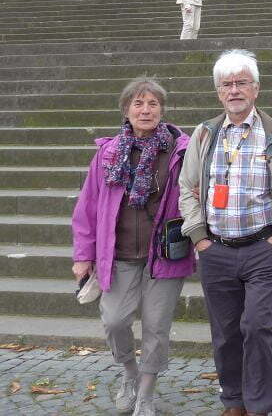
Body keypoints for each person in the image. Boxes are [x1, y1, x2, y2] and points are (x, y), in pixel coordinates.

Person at [179, 49, 272, 416]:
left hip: (263, 247)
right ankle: (234, 400)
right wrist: (199, 238)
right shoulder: (204, 134)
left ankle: (259, 405)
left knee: (257, 326)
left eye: (241, 82)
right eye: (226, 84)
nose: (234, 90)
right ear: (218, 92)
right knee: (225, 332)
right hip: (216, 249)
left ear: (256, 89)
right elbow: (186, 186)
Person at [72, 78, 193, 416]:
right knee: (114, 320)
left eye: (153, 103)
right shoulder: (108, 153)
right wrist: (83, 255)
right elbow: (87, 207)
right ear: (126, 110)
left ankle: (146, 396)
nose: (145, 110)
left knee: (156, 326)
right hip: (119, 254)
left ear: (162, 109)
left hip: (165, 254)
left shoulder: (181, 150)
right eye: (138, 104)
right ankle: (130, 374)